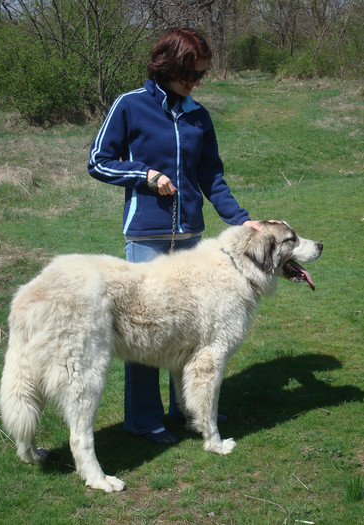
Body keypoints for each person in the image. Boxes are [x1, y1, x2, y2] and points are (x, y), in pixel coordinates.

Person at [88, 28, 264, 445]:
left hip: (191, 238)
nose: (197, 82)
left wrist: (244, 222)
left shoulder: (199, 114)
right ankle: (143, 420)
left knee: (189, 331)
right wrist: (144, 175)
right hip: (146, 237)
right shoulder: (129, 105)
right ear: (169, 66)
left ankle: (188, 409)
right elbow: (98, 161)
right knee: (146, 331)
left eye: (202, 75)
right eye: (192, 74)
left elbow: (212, 178)